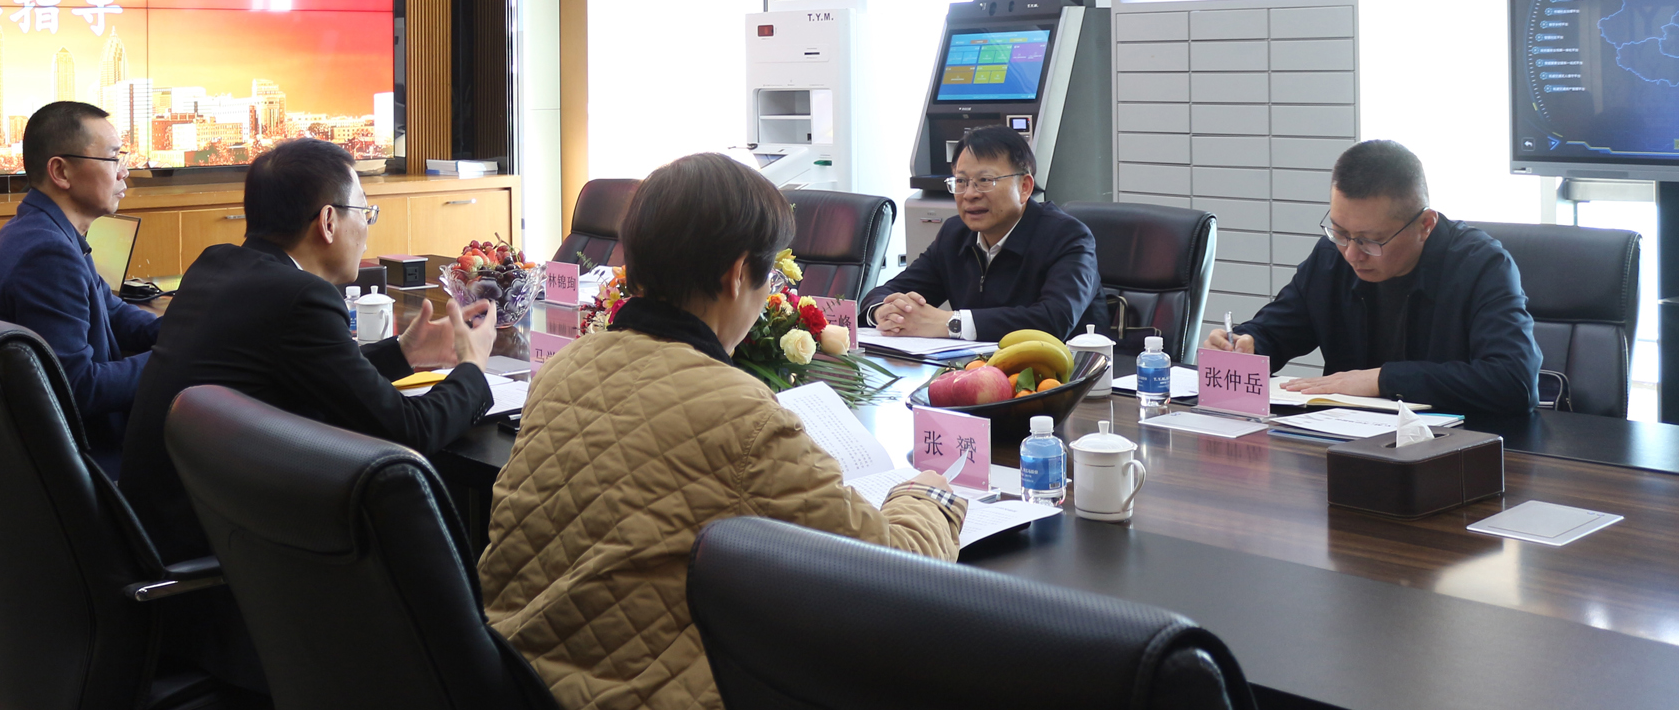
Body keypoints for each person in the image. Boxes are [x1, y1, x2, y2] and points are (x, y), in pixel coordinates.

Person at [480, 152, 962, 710]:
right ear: (737, 275)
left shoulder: (566, 367)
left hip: (513, 679)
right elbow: (891, 576)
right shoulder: (741, 415)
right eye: (768, 277)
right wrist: (928, 497)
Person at [119, 136, 497, 565]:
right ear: (329, 221)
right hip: (221, 548)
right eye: (365, 212)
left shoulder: (216, 264)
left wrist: (403, 353)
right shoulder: (299, 298)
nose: (367, 229)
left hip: (156, 525)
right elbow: (407, 431)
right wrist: (473, 368)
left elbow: (311, 372)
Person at [1204, 139, 1541, 414]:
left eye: (1370, 240)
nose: (1352, 254)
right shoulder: (1331, 257)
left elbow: (1514, 381)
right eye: (1339, 232)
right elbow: (1277, 331)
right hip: (1344, 442)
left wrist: (1380, 380)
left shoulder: (1481, 265)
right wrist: (1247, 344)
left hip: (1454, 450)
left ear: (1425, 225)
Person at [0, 101, 156, 476]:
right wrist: (175, 359)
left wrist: (189, 329)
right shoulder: (48, 253)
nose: (124, 172)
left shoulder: (45, 229)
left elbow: (112, 312)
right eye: (113, 158)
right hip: (82, 466)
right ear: (60, 171)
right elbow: (78, 388)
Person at [862, 125, 1099, 342]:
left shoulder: (1067, 237)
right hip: (975, 368)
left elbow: (1053, 320)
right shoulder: (954, 235)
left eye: (985, 180)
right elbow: (887, 292)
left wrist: (949, 323)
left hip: (1064, 371)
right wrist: (884, 311)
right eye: (961, 181)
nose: (970, 194)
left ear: (1024, 187)